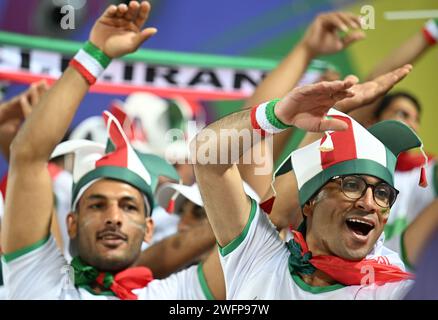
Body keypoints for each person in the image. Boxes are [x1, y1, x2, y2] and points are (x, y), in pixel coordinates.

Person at [1, 1, 211, 300]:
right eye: (97, 205)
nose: (113, 217)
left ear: (149, 228)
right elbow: (29, 156)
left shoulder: (175, 294)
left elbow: (254, 224)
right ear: (70, 222)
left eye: (129, 206)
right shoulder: (38, 283)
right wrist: (95, 53)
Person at [193, 64, 423, 298]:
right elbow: (207, 155)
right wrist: (276, 115)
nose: (369, 203)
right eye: (352, 185)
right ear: (310, 202)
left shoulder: (394, 291)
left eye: (382, 193)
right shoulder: (258, 255)